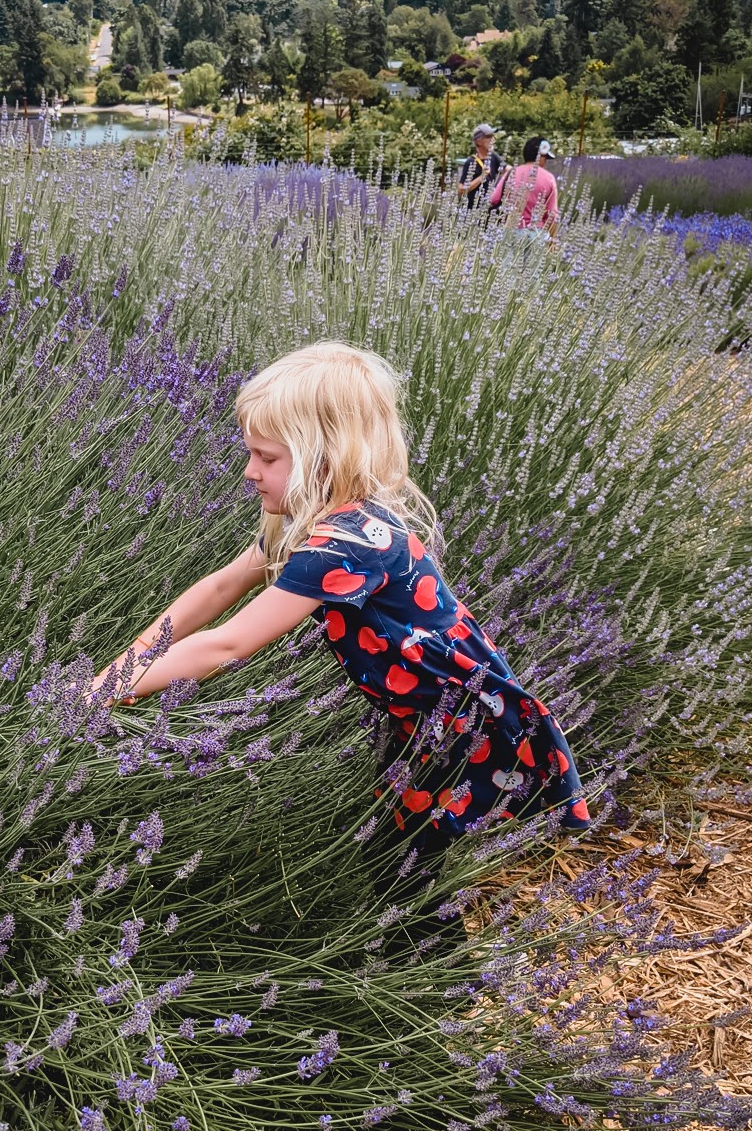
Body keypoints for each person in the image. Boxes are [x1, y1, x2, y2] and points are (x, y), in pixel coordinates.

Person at [91, 342, 591, 874]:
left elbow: (228, 643)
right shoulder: (313, 520)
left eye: (267, 457)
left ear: (323, 459)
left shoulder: (344, 543)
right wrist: (129, 661)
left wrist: (106, 691)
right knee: (397, 846)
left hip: (464, 718)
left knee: (403, 861)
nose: (249, 471)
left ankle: (425, 948)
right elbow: (222, 587)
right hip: (416, 712)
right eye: (250, 453)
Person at [489, 135, 559, 234]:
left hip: (510, 230)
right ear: (540, 157)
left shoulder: (511, 173)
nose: (545, 162)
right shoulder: (549, 178)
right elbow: (552, 214)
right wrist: (552, 240)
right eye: (545, 158)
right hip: (536, 233)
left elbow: (494, 199)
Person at [457, 123, 503, 211]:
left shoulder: (494, 157)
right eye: (489, 137)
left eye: (493, 136)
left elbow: (507, 170)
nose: (493, 140)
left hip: (489, 209)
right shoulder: (471, 162)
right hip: (472, 212)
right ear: (479, 141)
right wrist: (482, 177)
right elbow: (461, 189)